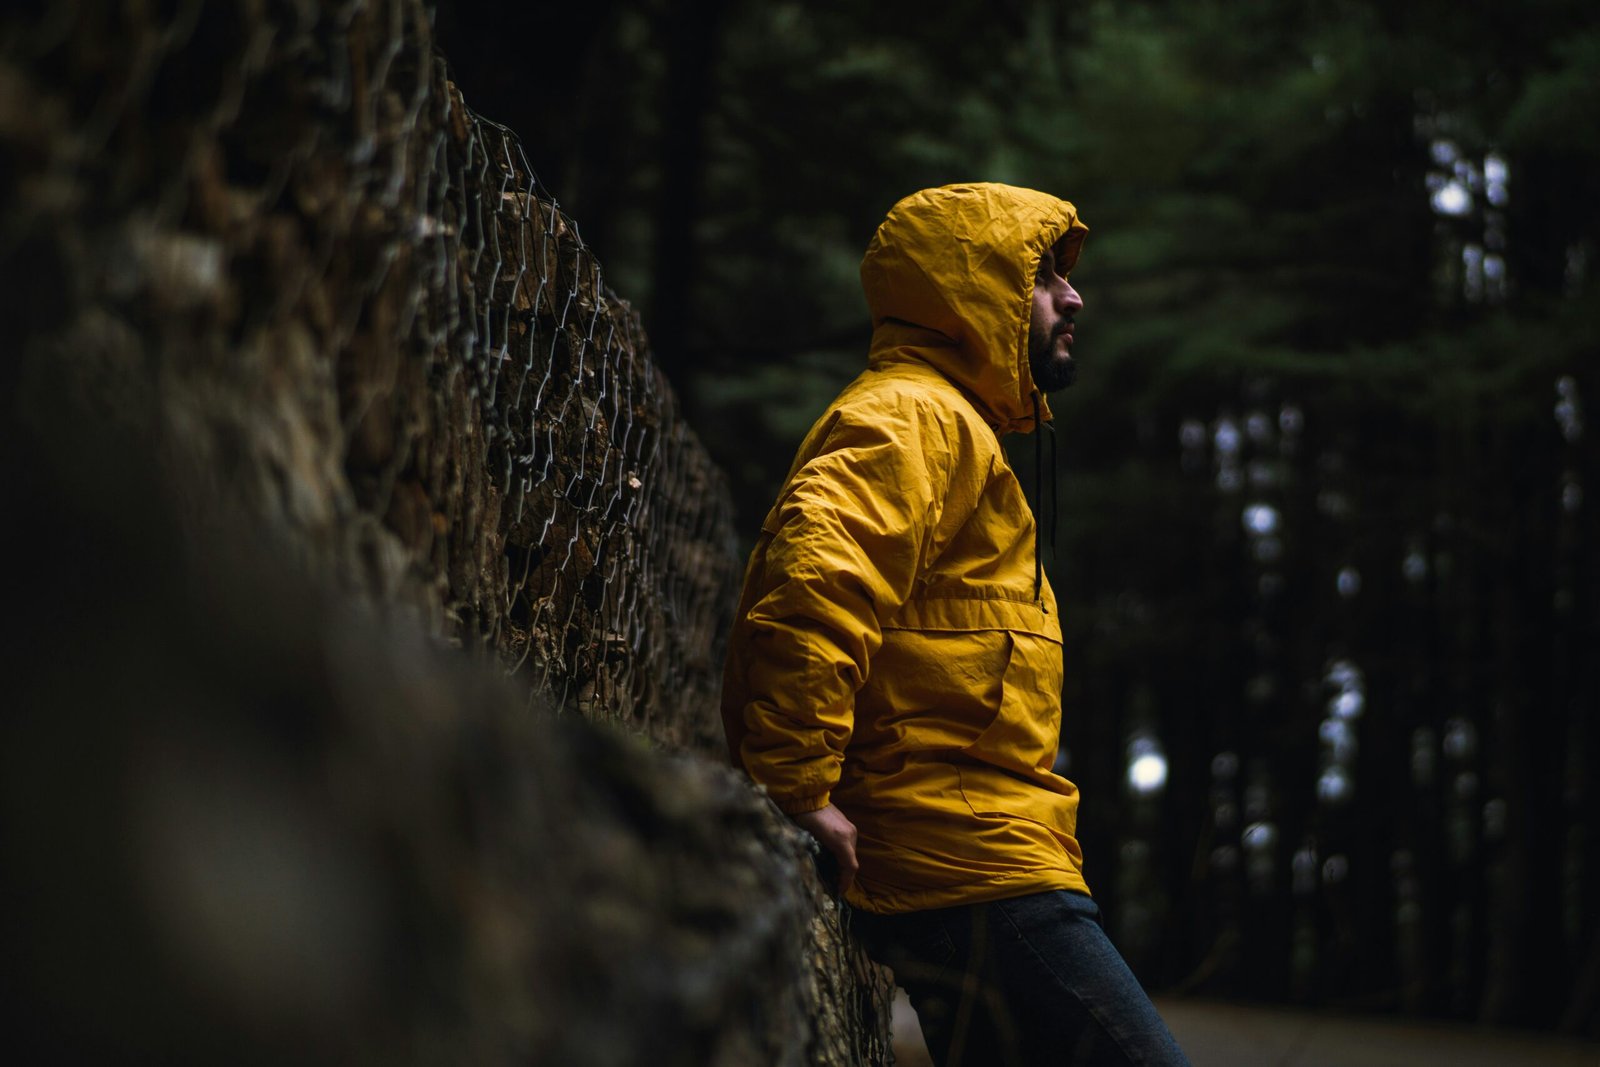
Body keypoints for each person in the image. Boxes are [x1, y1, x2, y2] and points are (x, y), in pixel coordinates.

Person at [720, 183, 1190, 1066]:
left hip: (980, 852)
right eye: (1042, 275)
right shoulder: (912, 416)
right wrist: (798, 785)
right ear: (971, 294)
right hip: (970, 866)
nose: (1073, 297)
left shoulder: (950, 425)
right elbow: (817, 579)